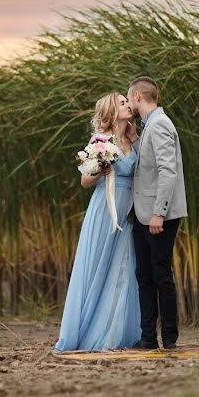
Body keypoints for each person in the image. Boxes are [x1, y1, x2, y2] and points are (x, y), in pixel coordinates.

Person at [54, 93, 141, 351]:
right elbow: (85, 181)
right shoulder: (101, 141)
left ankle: (116, 332)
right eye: (122, 103)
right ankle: (90, 332)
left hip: (129, 212)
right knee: (100, 266)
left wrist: (134, 138)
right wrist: (100, 169)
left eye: (127, 101)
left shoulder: (132, 139)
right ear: (112, 111)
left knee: (123, 268)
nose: (128, 105)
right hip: (106, 209)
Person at [127, 76, 187, 351]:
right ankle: (148, 337)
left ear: (138, 97)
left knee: (161, 275)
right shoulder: (149, 126)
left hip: (157, 216)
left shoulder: (161, 124)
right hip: (142, 214)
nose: (128, 103)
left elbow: (167, 171)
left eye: (129, 98)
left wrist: (158, 214)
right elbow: (149, 163)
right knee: (145, 276)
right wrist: (135, 141)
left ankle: (170, 339)